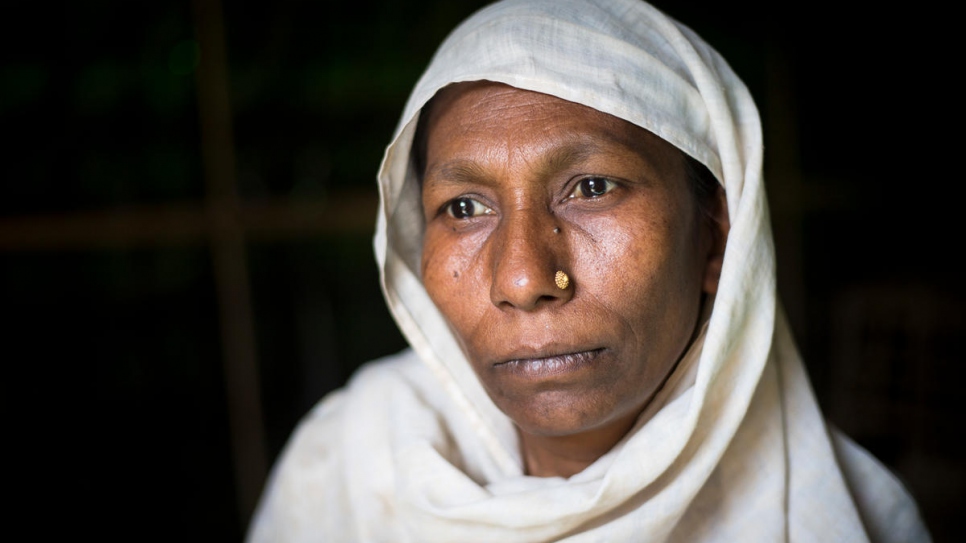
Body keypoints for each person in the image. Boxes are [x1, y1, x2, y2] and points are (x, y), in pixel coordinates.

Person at [246, 0, 931, 541]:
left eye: (593, 187)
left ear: (718, 237)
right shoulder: (348, 465)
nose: (522, 278)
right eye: (463, 205)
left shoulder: (843, 516)